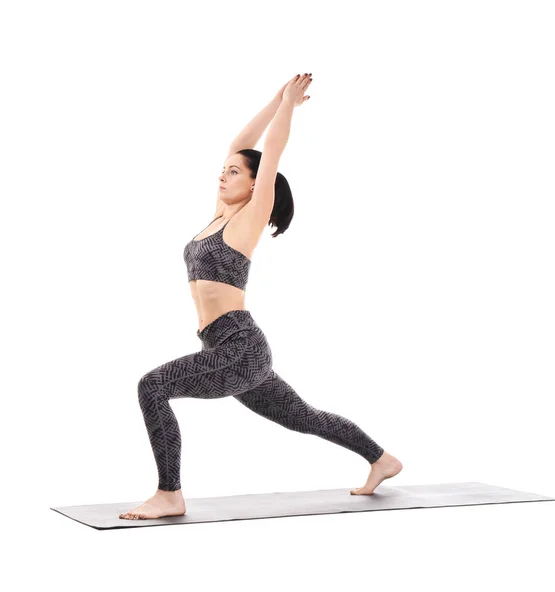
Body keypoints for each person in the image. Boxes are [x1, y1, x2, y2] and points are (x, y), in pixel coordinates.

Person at [120, 73, 403, 520]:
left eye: (234, 172)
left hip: (238, 345)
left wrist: (288, 108)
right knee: (304, 418)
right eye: (223, 169)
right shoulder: (219, 215)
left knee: (152, 386)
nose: (223, 174)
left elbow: (268, 153)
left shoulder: (247, 220)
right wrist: (274, 99)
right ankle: (382, 459)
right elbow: (242, 142)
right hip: (223, 347)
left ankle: (169, 492)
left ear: (255, 186)